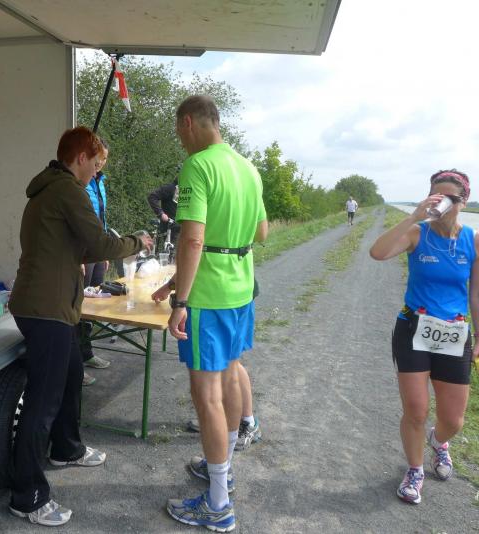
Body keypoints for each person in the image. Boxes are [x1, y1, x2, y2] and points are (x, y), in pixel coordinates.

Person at [7, 126, 151, 527]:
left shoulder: (51, 189)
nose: (97, 171)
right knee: (43, 401)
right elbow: (101, 244)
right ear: (81, 157)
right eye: (96, 162)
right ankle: (28, 496)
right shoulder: (67, 189)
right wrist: (137, 241)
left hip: (52, 306)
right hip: (46, 308)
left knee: (71, 375)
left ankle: (66, 448)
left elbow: (78, 248)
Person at [164, 95, 268, 532]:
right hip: (241, 289)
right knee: (227, 380)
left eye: (178, 130)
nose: (180, 139)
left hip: (207, 297)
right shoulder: (248, 168)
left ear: (188, 122)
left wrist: (180, 300)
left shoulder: (198, 165)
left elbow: (192, 239)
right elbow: (262, 231)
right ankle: (220, 469)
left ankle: (218, 504)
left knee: (206, 395)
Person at [369, 169, 479, 505]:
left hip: (454, 333)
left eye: (450, 197)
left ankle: (438, 442)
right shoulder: (416, 233)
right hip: (413, 329)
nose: (442, 202)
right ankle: (414, 470)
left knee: (453, 420)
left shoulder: (477, 242)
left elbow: (478, 293)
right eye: (436, 195)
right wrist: (414, 216)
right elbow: (378, 253)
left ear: (464, 202)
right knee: (416, 410)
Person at [153, 279, 262, 450]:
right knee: (229, 363)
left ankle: (236, 424)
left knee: (215, 375)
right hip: (237, 289)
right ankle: (236, 422)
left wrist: (177, 299)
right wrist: (171, 286)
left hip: (214, 295)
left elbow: (195, 261)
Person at [80, 138, 111, 385]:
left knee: (94, 303)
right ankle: (74, 366)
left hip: (98, 250)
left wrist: (106, 251)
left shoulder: (100, 181)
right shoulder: (80, 182)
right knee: (79, 307)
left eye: (105, 158)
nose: (101, 162)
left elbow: (102, 219)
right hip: (83, 251)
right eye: (99, 157)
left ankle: (86, 353)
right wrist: (77, 256)